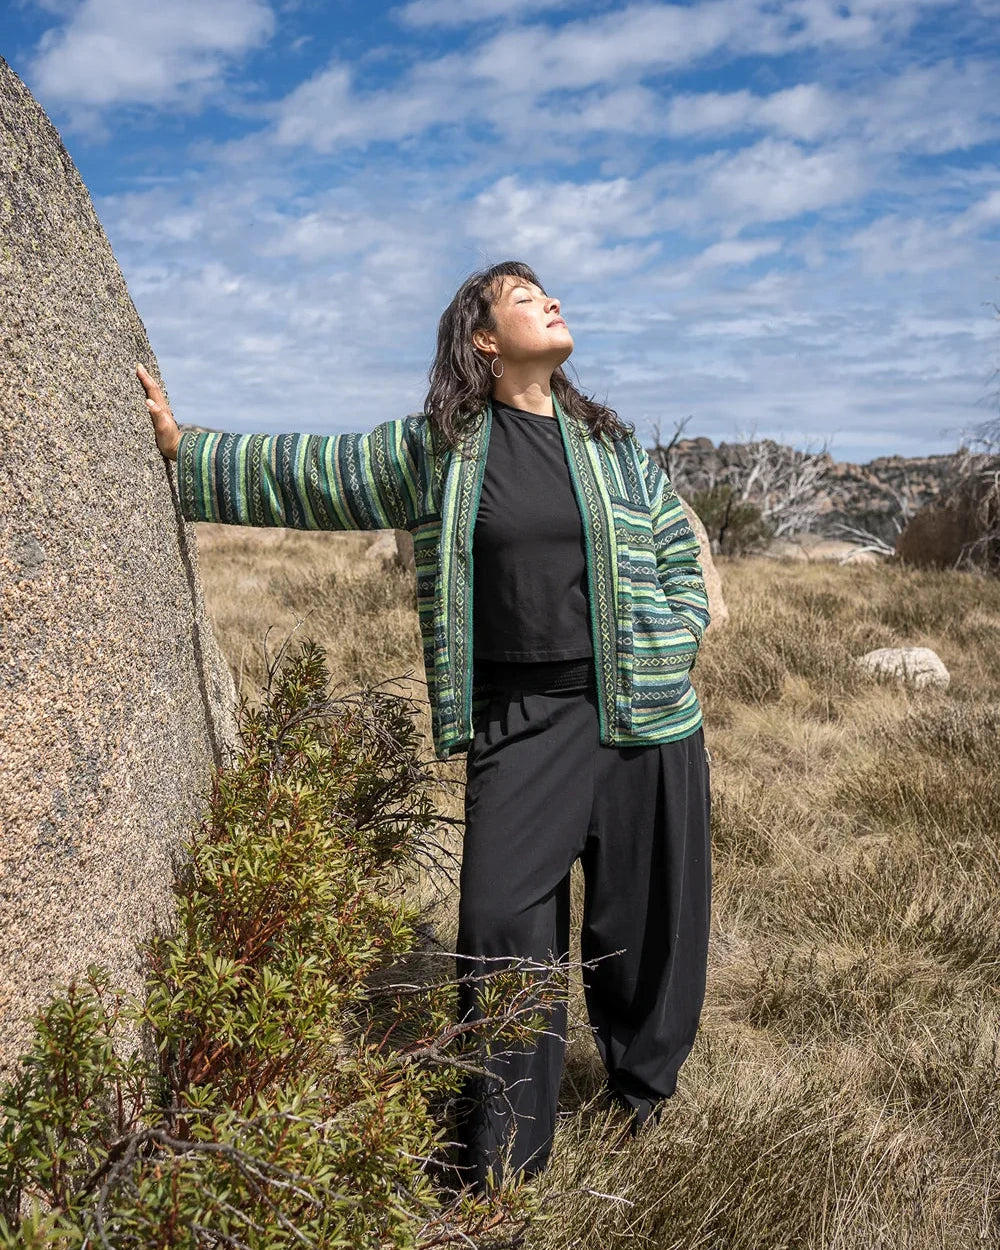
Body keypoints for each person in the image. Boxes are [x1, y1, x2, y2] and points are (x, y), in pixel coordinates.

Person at [139, 259, 711, 1193]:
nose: (550, 301)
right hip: (523, 719)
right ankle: (501, 1160)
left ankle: (641, 1098)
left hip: (645, 713)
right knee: (497, 923)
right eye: (525, 298)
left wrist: (679, 631)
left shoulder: (610, 444)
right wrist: (185, 450)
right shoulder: (443, 447)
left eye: (548, 293)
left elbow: (677, 545)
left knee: (646, 920)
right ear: (483, 339)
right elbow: (314, 474)